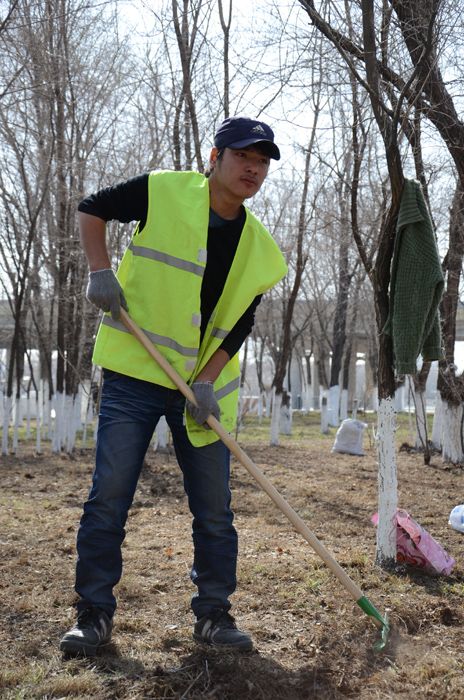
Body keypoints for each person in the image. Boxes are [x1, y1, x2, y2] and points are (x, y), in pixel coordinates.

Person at [59, 116, 287, 657]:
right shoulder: (162, 190)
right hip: (135, 371)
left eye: (262, 161)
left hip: (198, 393)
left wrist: (207, 380)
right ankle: (93, 614)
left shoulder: (261, 249)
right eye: (242, 157)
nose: (252, 168)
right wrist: (99, 271)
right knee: (110, 495)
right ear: (215, 156)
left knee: (214, 508)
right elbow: (92, 208)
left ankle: (214, 615)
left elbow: (240, 324)